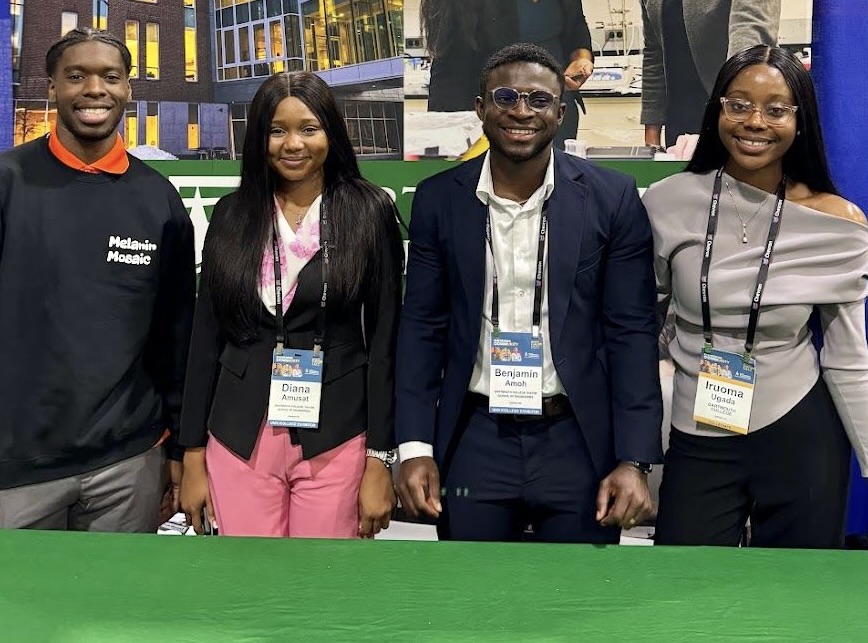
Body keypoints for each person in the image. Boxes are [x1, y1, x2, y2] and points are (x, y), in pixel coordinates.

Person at [395, 43, 663, 543]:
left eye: (539, 100)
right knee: (474, 599)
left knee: (579, 600)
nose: (521, 111)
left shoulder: (612, 197)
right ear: (480, 108)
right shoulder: (438, 198)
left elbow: (632, 332)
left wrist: (635, 459)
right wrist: (413, 447)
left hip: (577, 437)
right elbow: (421, 328)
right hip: (476, 435)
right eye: (505, 96)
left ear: (561, 113)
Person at [644, 44, 868, 548]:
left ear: (800, 119)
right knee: (682, 592)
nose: (755, 122)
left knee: (794, 600)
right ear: (717, 109)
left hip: (800, 430)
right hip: (697, 427)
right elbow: (637, 320)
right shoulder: (666, 203)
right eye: (738, 104)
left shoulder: (836, 222)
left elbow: (848, 354)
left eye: (776, 109)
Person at [178, 71, 404, 539]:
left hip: (338, 435)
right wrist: (192, 453)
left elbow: (385, 343)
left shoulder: (368, 211)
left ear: (331, 133)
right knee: (249, 586)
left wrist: (380, 459)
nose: (292, 144)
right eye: (277, 130)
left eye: (308, 128)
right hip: (238, 435)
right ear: (259, 137)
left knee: (322, 589)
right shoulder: (232, 215)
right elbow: (205, 341)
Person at [0, 29, 195, 532]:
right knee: (20, 612)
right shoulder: (9, 182)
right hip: (16, 469)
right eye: (76, 76)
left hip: (128, 464)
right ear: (51, 88)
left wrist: (176, 448)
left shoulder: (158, 200)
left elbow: (175, 339)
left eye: (110, 76)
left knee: (117, 612)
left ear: (128, 89)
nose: (94, 89)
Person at [420, 0, 595, 149]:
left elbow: (576, 28)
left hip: (553, 113)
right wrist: (446, 137)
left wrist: (581, 58)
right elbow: (449, 72)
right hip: (491, 119)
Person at [641, 0, 781, 148]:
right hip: (681, 127)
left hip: (738, 117)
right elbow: (654, 52)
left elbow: (749, 34)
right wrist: (652, 138)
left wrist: (731, 115)